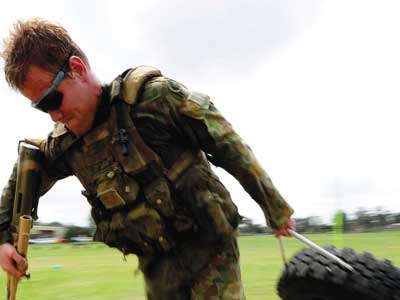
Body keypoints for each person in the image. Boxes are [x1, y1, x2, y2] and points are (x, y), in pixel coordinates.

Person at [0, 18, 295, 300]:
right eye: (42, 108)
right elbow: (30, 167)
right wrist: (3, 241)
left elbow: (227, 144)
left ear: (76, 68)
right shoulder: (67, 144)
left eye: (53, 99)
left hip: (209, 248)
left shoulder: (153, 100)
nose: (53, 115)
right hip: (157, 263)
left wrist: (275, 209)